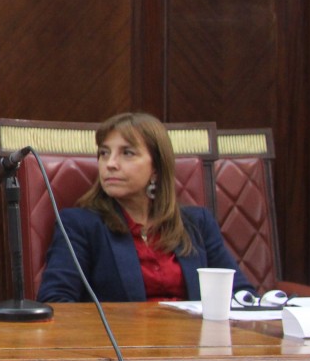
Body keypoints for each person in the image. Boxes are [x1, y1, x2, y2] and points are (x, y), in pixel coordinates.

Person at [37, 111, 253, 302]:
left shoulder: (197, 223)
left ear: (156, 168)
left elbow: (239, 294)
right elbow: (56, 300)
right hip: (121, 344)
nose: (110, 163)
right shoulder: (79, 224)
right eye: (104, 153)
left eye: (127, 153)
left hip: (195, 343)